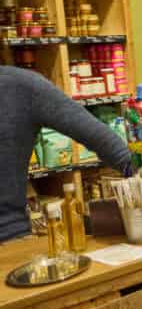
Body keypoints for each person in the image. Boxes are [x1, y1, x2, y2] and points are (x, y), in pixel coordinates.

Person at [0, 66, 133, 242]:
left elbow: (111, 146)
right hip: (12, 241)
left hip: (10, 244)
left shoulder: (21, 87)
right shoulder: (22, 84)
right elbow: (114, 148)